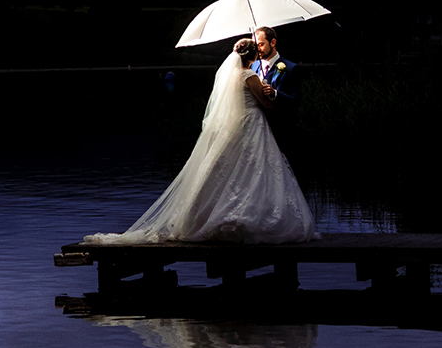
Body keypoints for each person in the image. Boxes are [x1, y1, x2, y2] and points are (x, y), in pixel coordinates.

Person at [82, 37, 316, 244]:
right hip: (253, 125)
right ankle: (252, 219)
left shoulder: (229, 75)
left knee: (233, 171)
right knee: (255, 171)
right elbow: (266, 104)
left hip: (235, 127)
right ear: (253, 55)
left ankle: (215, 217)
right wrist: (267, 91)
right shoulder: (250, 75)